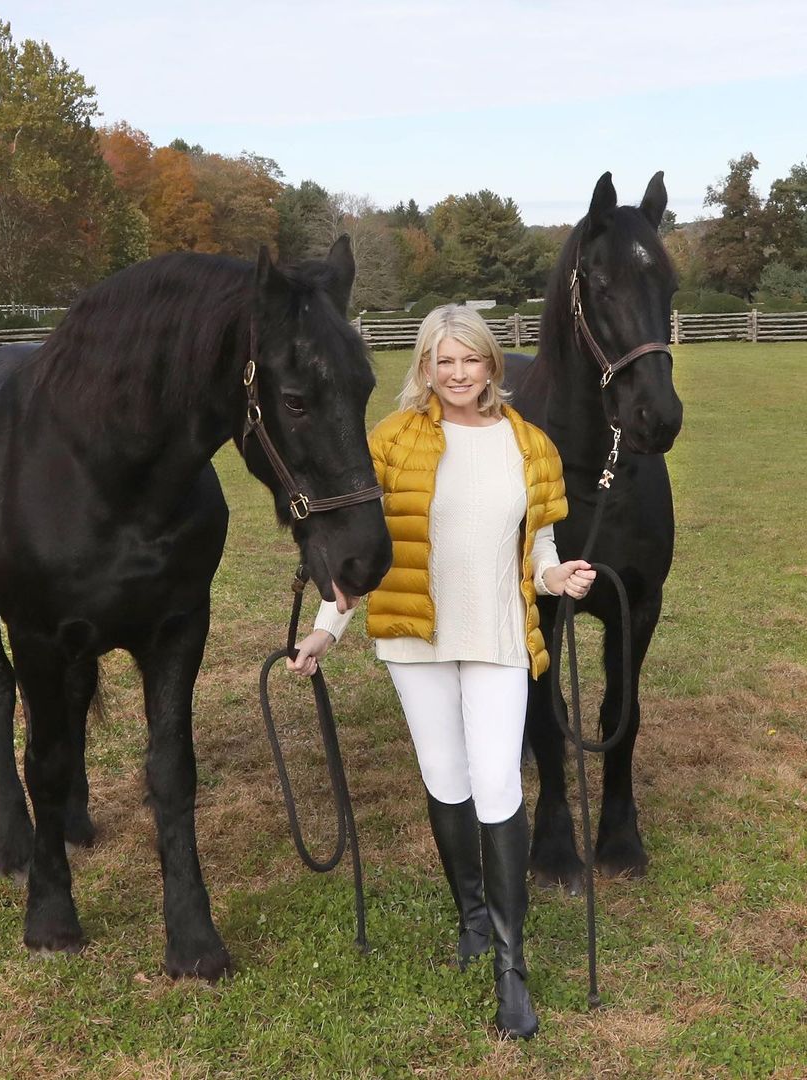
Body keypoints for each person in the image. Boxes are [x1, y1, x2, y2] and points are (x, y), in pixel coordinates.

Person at [287, 304, 595, 1039]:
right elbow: (357, 553)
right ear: (425, 366)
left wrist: (559, 580)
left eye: (471, 360)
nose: (458, 374)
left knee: (497, 782)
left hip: (497, 636)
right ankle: (473, 918)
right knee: (446, 779)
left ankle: (511, 968)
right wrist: (326, 630)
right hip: (413, 636)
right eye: (443, 361)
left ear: (493, 364)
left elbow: (541, 548)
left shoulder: (532, 445)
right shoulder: (390, 442)